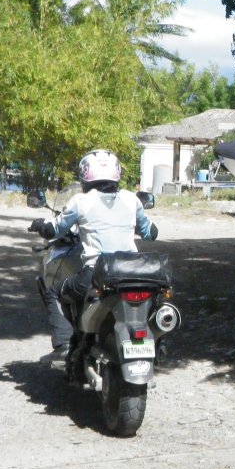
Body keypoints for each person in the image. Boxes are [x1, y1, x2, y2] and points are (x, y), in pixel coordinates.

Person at [28, 149, 158, 363]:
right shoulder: (131, 200)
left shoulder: (81, 201)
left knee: (53, 290)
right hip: (132, 272)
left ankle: (62, 345)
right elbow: (151, 234)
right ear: (117, 174)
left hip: (95, 274)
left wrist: (40, 225)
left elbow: (54, 230)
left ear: (85, 176)